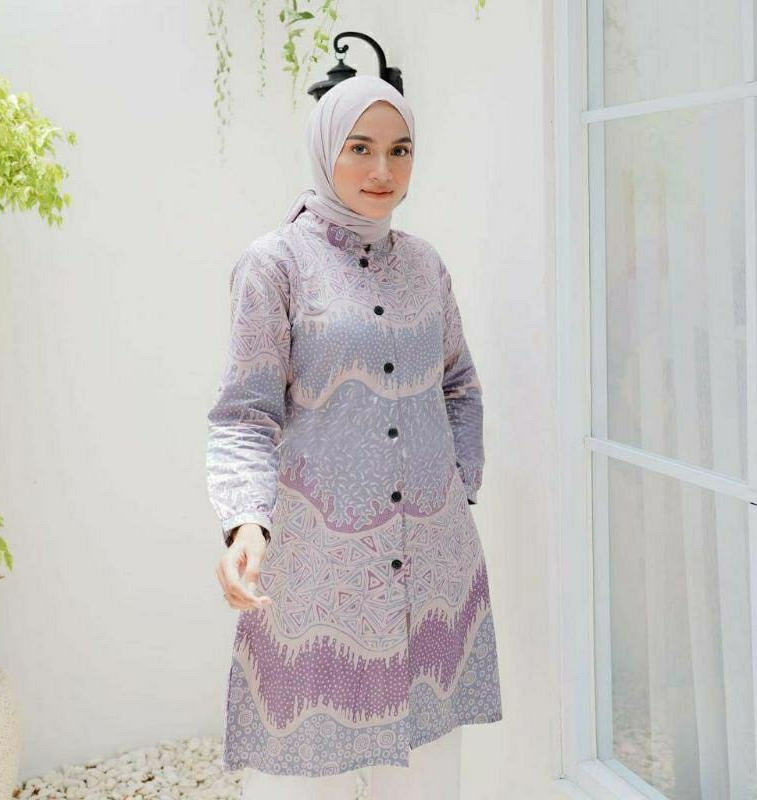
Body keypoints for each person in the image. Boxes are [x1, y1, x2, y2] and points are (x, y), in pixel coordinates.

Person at [206, 74, 502, 799]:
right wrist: (247, 523)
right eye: (360, 147)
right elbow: (244, 415)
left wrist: (456, 485)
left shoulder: (425, 265)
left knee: (430, 773)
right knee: (306, 771)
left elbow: (459, 383)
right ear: (324, 149)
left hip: (432, 567)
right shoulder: (275, 266)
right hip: (319, 575)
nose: (382, 170)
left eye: (400, 150)